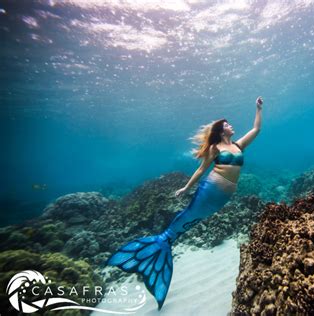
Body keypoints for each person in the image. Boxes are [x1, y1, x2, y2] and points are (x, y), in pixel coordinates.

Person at [106, 96, 263, 310]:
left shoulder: (238, 145)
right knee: (186, 218)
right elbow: (201, 169)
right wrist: (186, 188)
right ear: (220, 130)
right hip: (209, 193)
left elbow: (256, 129)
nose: (231, 125)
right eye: (227, 124)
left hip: (221, 199)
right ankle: (158, 245)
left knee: (192, 222)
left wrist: (258, 109)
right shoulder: (215, 148)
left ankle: (159, 248)